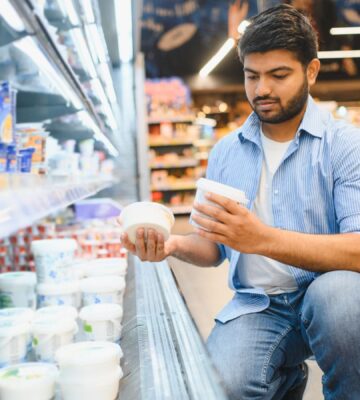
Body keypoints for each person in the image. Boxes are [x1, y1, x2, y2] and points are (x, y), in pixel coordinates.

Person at [121, 4, 360, 400]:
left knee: (343, 301)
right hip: (258, 305)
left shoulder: (345, 145)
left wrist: (259, 238)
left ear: (311, 71)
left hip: (328, 293)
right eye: (252, 76)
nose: (262, 89)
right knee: (222, 386)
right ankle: (284, 378)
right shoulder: (226, 152)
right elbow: (213, 248)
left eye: (278, 75)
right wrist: (173, 244)